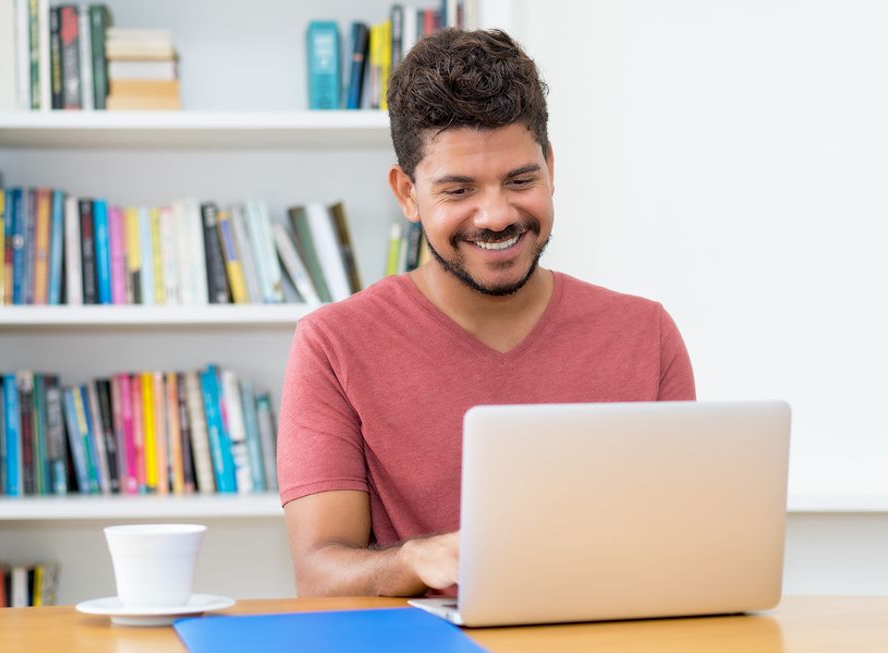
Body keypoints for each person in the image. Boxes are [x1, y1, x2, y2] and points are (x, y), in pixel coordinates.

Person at [277, 28, 695, 598]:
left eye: (521, 180)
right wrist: (415, 560)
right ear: (407, 193)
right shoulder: (332, 343)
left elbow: (685, 548)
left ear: (550, 167)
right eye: (458, 190)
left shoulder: (646, 334)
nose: (496, 215)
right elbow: (319, 575)